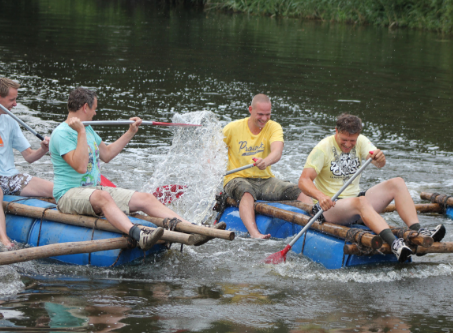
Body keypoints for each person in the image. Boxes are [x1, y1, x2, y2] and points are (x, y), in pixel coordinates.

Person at [49, 87, 189, 251]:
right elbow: (80, 167)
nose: (95, 113)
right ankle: (139, 235)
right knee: (103, 196)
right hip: (68, 194)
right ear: (85, 107)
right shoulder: (62, 133)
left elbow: (106, 154)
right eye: (94, 109)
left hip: (93, 190)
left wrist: (130, 132)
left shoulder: (87, 128)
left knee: (145, 198)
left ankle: (191, 227)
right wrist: (80, 132)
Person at [298, 113, 445, 262]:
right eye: (344, 140)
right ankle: (394, 242)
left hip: (356, 201)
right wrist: (321, 196)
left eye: (352, 141)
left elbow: (378, 162)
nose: (348, 144)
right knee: (360, 201)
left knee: (397, 182)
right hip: (331, 207)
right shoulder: (322, 149)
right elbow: (303, 180)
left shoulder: (361, 141)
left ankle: (417, 231)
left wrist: (379, 159)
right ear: (336, 131)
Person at [222, 94, 312, 239]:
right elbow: (212, 153)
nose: (264, 119)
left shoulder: (274, 127)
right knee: (246, 191)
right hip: (236, 178)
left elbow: (277, 151)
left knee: (299, 191)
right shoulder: (231, 128)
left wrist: (266, 161)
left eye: (268, 114)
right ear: (250, 110)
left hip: (265, 180)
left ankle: (314, 225)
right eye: (260, 114)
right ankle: (255, 233)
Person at [0, 77, 54, 249]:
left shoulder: (10, 121)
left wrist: (43, 149)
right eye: (12, 100)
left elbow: (29, 157)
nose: (15, 104)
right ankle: (4, 240)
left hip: (10, 176)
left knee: (55, 189)